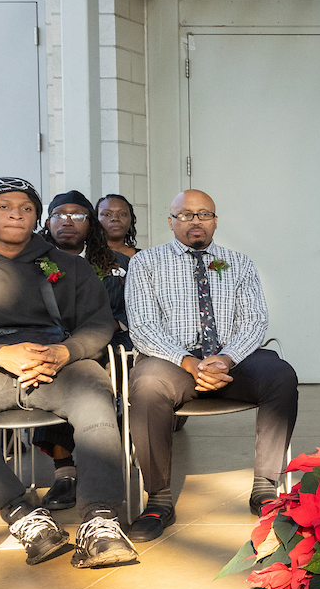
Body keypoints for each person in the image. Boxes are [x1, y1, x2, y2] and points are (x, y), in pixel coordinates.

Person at [0, 177, 136, 569]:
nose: (16, 214)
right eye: (4, 207)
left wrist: (66, 351)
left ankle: (101, 520)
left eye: (26, 208)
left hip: (60, 362)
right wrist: (0, 354)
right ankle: (23, 515)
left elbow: (97, 324)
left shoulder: (72, 266)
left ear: (37, 217)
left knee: (94, 392)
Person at [121, 188, 298, 540]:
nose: (195, 221)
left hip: (231, 360)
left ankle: (265, 487)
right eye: (185, 215)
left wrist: (226, 359)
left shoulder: (240, 263)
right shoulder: (145, 263)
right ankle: (158, 499)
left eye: (204, 214)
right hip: (173, 363)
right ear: (170, 222)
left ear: (215, 221)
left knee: (280, 375)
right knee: (146, 384)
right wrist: (189, 362)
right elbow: (141, 325)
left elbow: (254, 321)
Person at [31, 190, 127, 510]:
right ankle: (65, 473)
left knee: (98, 375)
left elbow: (134, 312)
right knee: (52, 370)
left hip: (108, 344)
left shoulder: (118, 265)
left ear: (92, 225)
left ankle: (99, 467)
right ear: (47, 222)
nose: (67, 221)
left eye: (78, 215)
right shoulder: (32, 264)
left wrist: (111, 326)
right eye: (59, 215)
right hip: (54, 347)